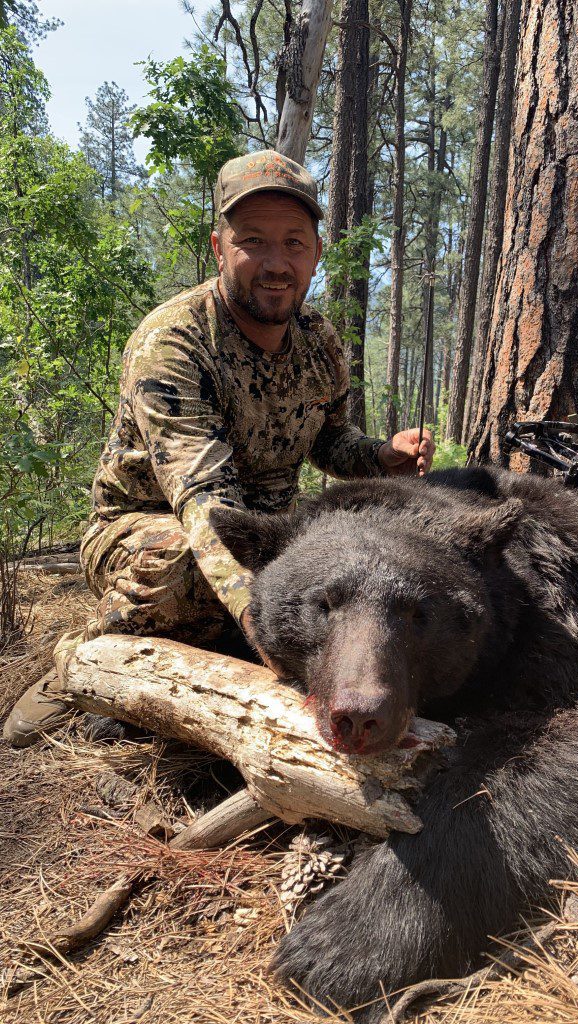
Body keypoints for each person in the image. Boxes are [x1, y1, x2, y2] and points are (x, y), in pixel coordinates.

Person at [4, 150, 434, 747]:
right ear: (218, 247)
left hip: (266, 535)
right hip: (147, 528)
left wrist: (381, 454)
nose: (276, 263)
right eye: (253, 240)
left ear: (315, 252)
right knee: (184, 567)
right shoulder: (173, 341)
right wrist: (263, 616)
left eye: (294, 242)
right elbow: (204, 500)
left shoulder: (320, 341)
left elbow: (329, 440)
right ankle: (83, 663)